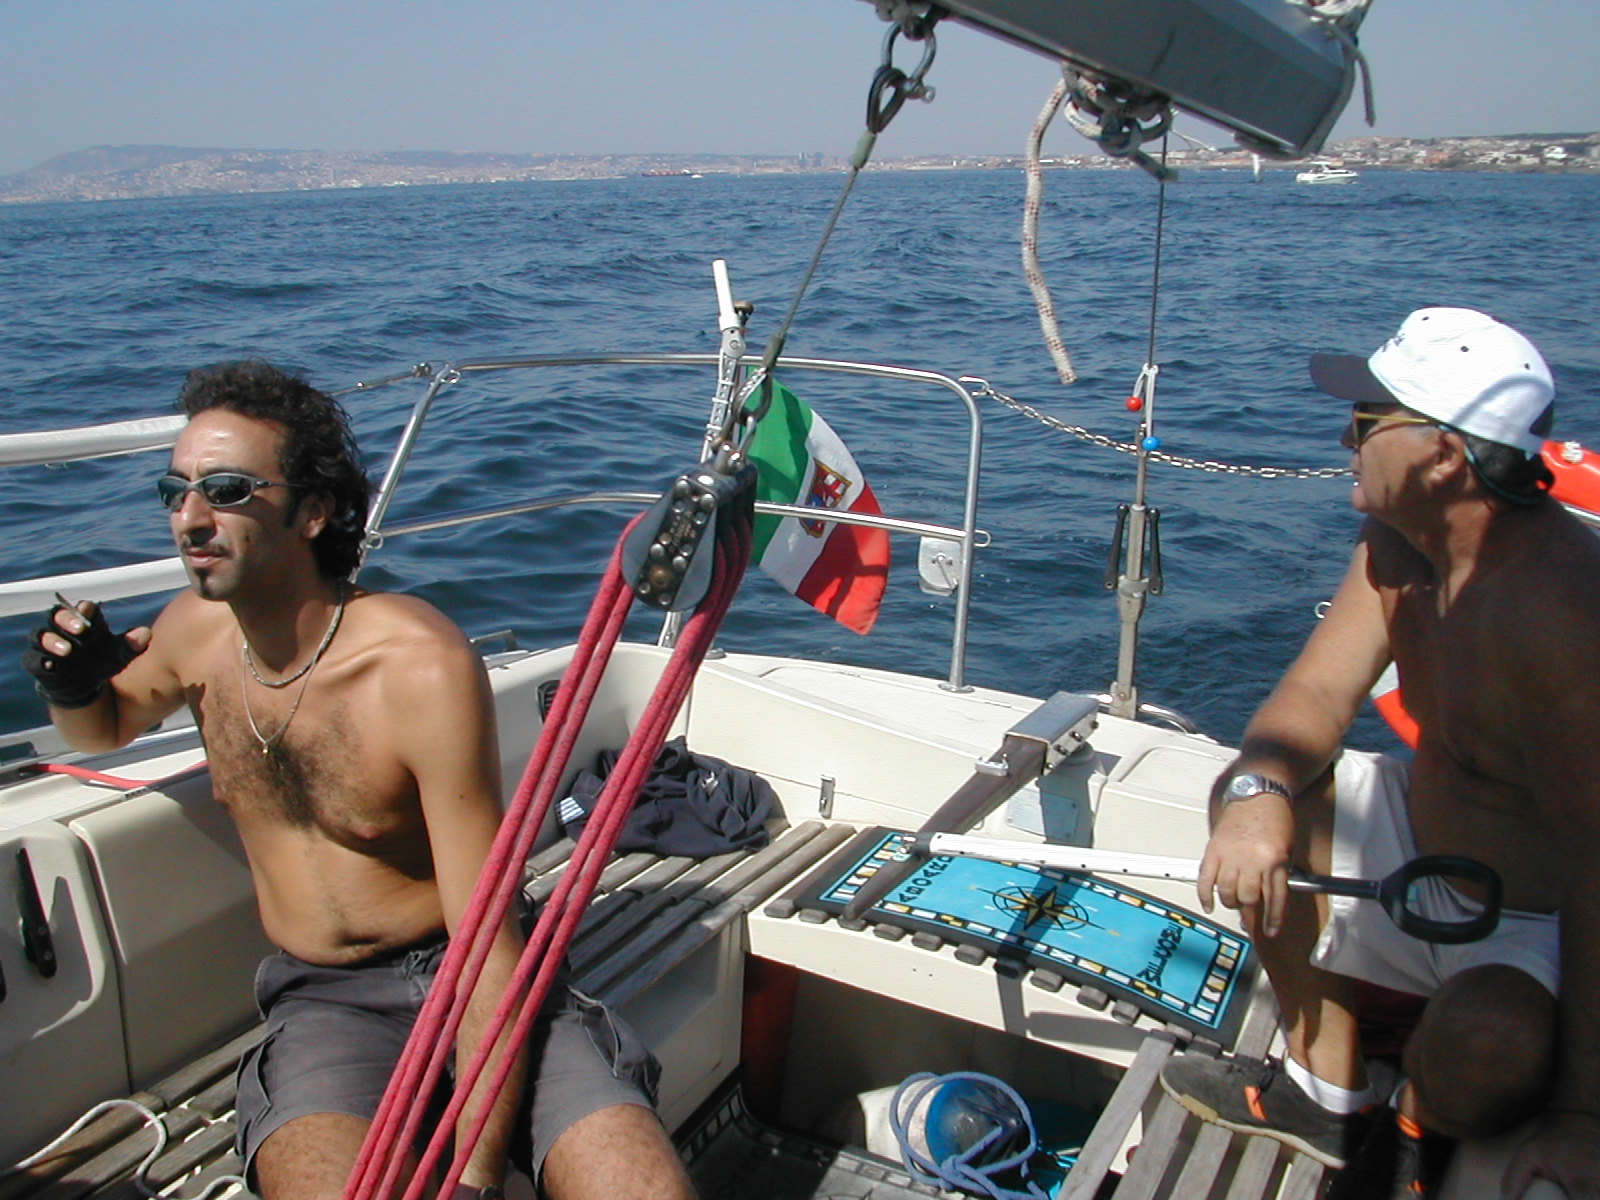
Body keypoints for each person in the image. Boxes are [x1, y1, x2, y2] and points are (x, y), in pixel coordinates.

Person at [21, 361, 696, 1200]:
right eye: (176, 490)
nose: (189, 519)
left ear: (313, 511)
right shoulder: (190, 635)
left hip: (472, 973)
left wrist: (475, 1176)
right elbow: (103, 730)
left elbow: (487, 939)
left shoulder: (416, 666)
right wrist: (71, 685)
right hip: (324, 1002)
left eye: (226, 491)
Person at [1156, 308, 1600, 1199]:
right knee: (1250, 788)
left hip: (1533, 919)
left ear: (1444, 455)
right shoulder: (1401, 543)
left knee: (1486, 1049)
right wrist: (1257, 798)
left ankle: (1412, 1133)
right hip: (1422, 855)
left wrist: (1583, 1115)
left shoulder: (1559, 613)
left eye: (1366, 422)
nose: (1343, 440)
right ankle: (1325, 1092)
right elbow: (1315, 699)